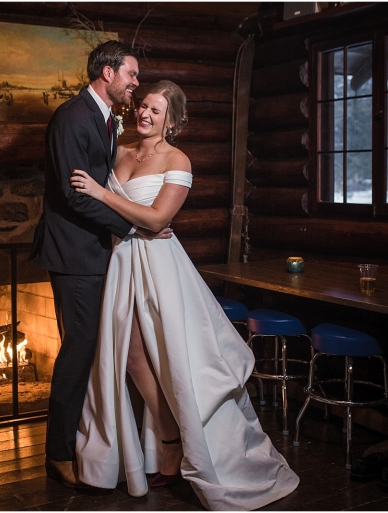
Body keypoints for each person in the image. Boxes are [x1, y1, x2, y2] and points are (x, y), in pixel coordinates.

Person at [70, 80, 300, 510]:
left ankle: (179, 444)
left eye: (156, 111)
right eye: (143, 107)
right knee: (132, 355)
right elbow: (103, 211)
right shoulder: (117, 150)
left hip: (160, 267)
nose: (145, 115)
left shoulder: (178, 160)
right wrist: (113, 210)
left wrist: (104, 194)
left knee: (173, 357)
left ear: (171, 121)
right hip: (121, 263)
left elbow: (158, 221)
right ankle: (170, 434)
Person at [29, 40, 170, 489]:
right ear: (107, 73)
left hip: (97, 252)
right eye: (130, 74)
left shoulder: (107, 119)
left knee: (104, 347)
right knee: (79, 348)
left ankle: (105, 442)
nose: (135, 82)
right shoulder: (73, 117)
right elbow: (74, 194)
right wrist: (132, 228)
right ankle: (57, 453)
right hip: (74, 255)